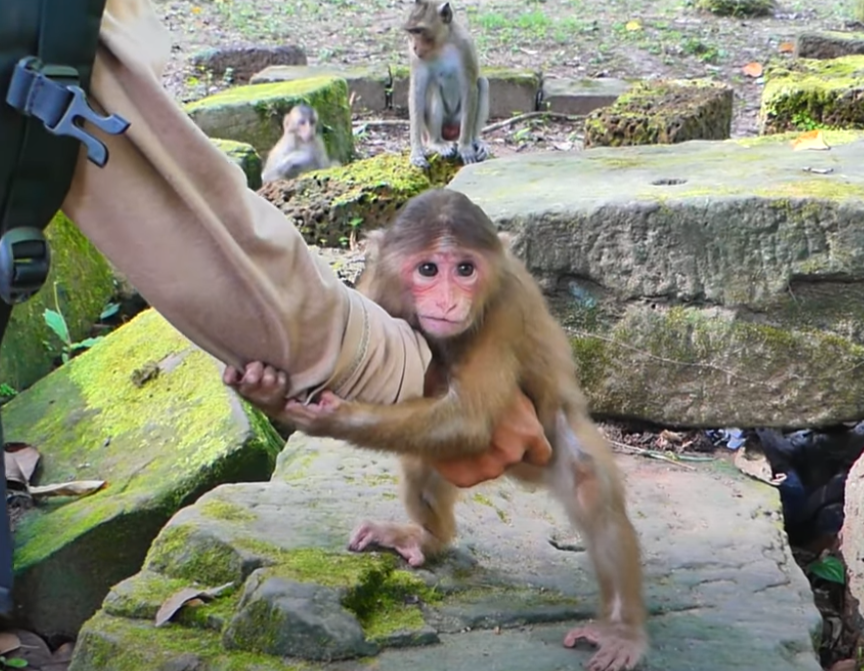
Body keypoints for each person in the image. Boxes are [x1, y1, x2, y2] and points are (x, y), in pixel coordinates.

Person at [55, 0, 552, 488]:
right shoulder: (63, 49)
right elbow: (195, 234)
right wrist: (420, 385)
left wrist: (305, 388)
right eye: (429, 271)